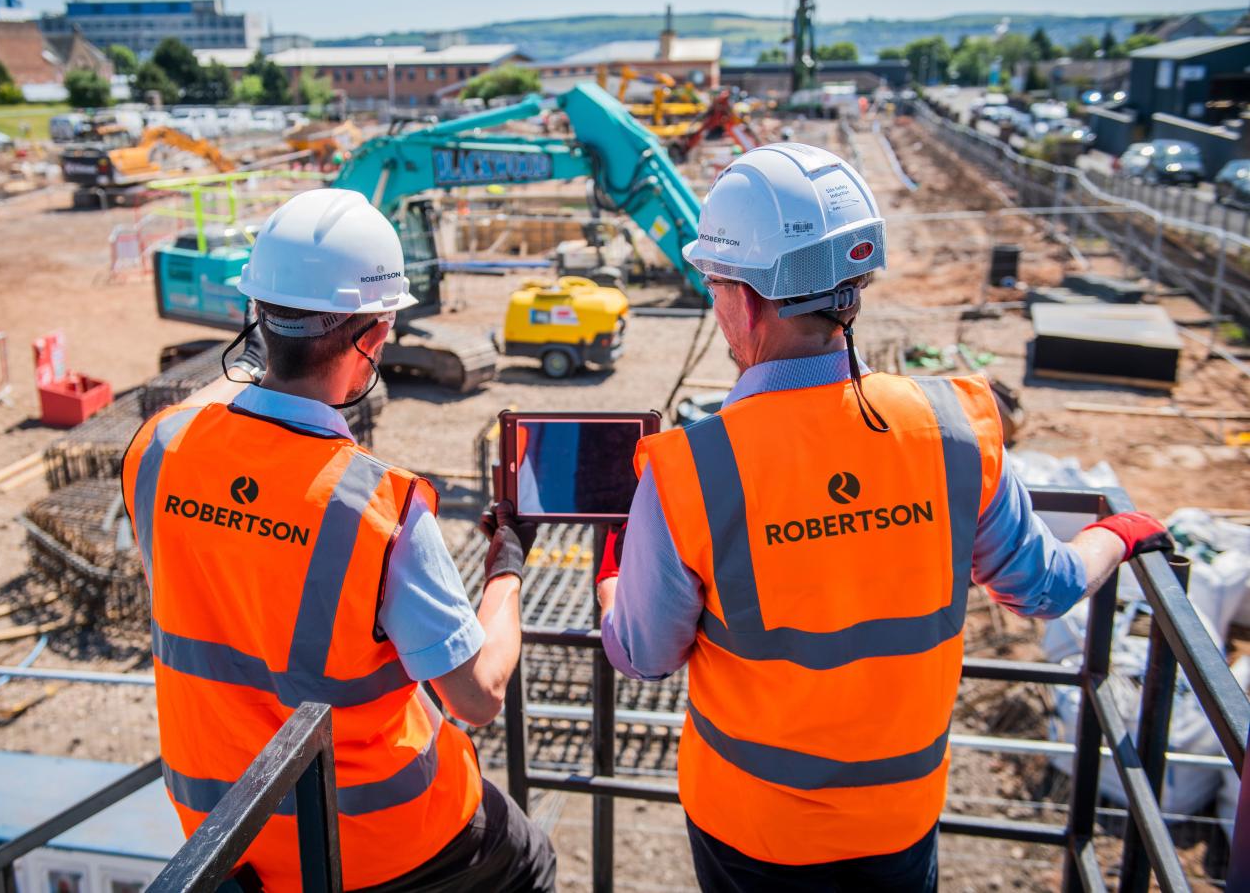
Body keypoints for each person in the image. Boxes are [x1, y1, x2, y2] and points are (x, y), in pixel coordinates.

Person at [594, 143, 1172, 892]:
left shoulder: (689, 470)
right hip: (898, 819)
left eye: (712, 282)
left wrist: (613, 578)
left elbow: (642, 654)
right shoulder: (955, 425)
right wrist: (1118, 532)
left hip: (753, 828)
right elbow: (1044, 587)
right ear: (851, 288)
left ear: (745, 297)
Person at [122, 188, 556, 892]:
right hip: (378, 838)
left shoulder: (158, 450)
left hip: (225, 828)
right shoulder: (376, 509)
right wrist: (506, 566)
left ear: (255, 314)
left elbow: (210, 407)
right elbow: (477, 696)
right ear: (376, 337)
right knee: (529, 859)